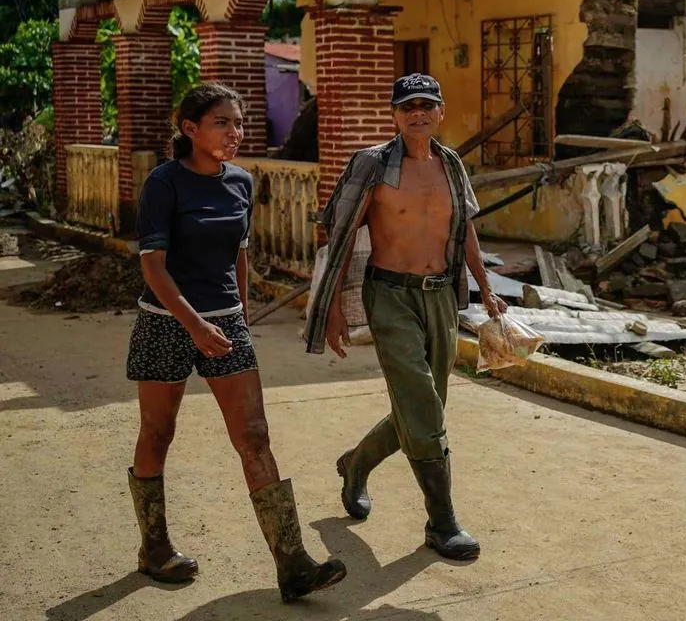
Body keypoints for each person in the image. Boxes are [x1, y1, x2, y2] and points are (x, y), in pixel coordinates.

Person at [126, 84, 346, 602]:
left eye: (238, 122)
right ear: (190, 130)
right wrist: (195, 326)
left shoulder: (241, 182)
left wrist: (240, 316)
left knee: (254, 434)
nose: (235, 132)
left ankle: (292, 562)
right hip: (165, 321)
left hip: (226, 323)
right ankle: (154, 548)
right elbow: (153, 267)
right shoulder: (164, 184)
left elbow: (239, 254)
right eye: (222, 122)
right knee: (158, 432)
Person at [304, 73, 506, 561]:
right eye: (406, 106)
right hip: (390, 295)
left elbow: (466, 231)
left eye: (426, 105)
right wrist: (331, 309)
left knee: (424, 407)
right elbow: (340, 233)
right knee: (421, 404)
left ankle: (356, 463)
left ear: (440, 112)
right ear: (394, 115)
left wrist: (486, 287)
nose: (417, 113)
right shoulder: (373, 164)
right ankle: (443, 522)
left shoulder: (451, 164)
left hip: (440, 295)